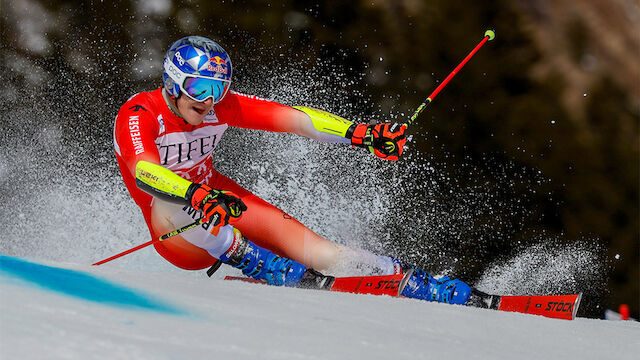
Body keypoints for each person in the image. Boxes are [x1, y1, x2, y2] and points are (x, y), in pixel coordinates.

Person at [113, 35, 473, 304]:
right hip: (179, 234)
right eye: (199, 87)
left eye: (218, 89)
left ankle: (405, 277)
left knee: (320, 253)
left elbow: (296, 119)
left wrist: (359, 134)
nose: (208, 101)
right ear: (173, 82)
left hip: (220, 200)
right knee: (166, 201)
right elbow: (144, 171)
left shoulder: (220, 107)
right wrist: (194, 193)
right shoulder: (140, 114)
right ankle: (254, 259)